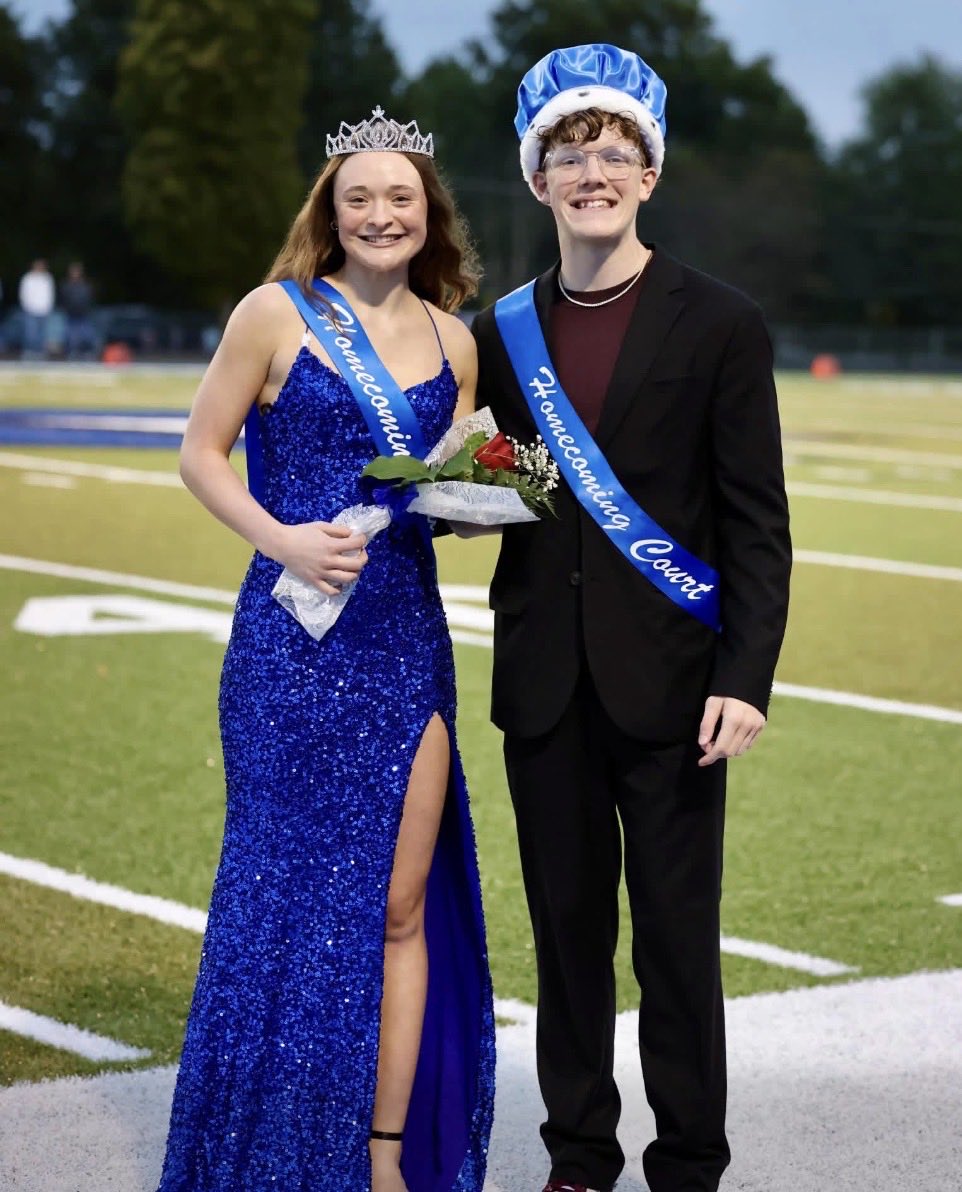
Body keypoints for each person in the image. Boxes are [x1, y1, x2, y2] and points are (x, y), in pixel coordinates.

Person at [471, 44, 792, 1192]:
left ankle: (690, 1162)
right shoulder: (493, 330)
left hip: (673, 688)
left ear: (647, 175)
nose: (592, 173)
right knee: (565, 940)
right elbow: (485, 482)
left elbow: (756, 522)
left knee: (672, 942)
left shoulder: (719, 322)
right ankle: (577, 1157)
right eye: (569, 154)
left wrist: (744, 676)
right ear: (537, 179)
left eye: (614, 155)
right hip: (543, 687)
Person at [156, 106, 494, 1192]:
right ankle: (253, 1150)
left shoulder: (454, 340)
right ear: (332, 214)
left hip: (405, 645)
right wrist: (280, 536)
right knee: (273, 893)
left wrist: (484, 505)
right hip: (288, 646)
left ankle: (380, 1156)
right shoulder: (275, 313)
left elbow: (439, 496)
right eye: (361, 198)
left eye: (401, 197)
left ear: (426, 213)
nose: (382, 214)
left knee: (398, 905)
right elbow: (200, 453)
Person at [18, 259, 55, 360]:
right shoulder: (28, 278)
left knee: (42, 333)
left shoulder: (47, 278)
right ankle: (29, 351)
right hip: (31, 309)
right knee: (30, 332)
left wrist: (48, 307)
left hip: (44, 309)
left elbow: (50, 294)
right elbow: (23, 293)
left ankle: (40, 352)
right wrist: (27, 306)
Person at [60, 261, 97, 360]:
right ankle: (71, 353)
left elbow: (90, 298)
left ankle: (87, 352)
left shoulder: (86, 285)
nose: (75, 274)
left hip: (83, 314)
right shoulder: (66, 285)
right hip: (71, 314)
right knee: (70, 336)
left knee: (87, 335)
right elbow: (63, 299)